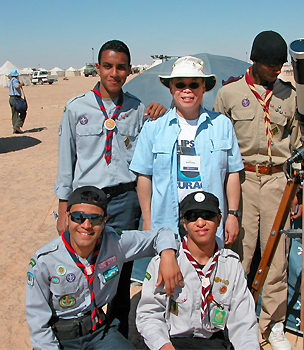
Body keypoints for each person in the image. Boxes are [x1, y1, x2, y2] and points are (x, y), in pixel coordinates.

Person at [54, 39, 167, 338]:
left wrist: (161, 111)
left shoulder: (137, 108)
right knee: (83, 266)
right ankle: (83, 327)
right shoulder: (76, 108)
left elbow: (148, 151)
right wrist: (63, 208)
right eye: (107, 66)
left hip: (124, 200)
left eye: (120, 67)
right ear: (98, 68)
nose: (113, 73)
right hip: (87, 203)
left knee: (120, 268)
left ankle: (116, 329)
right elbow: (67, 160)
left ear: (129, 70)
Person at [214, 30, 302, 350]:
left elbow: (299, 146)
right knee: (240, 254)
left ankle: (273, 324)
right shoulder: (229, 94)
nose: (277, 70)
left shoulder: (289, 95)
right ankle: (234, 319)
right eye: (271, 65)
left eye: (281, 65)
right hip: (243, 181)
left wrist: (298, 194)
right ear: (255, 61)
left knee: (277, 257)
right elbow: (218, 147)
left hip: (279, 181)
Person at [26, 186, 182, 350]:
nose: (86, 225)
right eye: (78, 217)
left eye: (95, 218)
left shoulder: (116, 243)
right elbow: (38, 320)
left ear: (105, 220)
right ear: (67, 217)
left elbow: (162, 234)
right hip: (60, 338)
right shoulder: (45, 260)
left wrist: (168, 255)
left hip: (99, 332)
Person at [129, 56, 243, 248]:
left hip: (209, 223)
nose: (187, 90)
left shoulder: (222, 125)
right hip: (167, 225)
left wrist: (232, 215)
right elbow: (144, 176)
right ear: (171, 88)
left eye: (194, 84)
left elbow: (232, 173)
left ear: (204, 87)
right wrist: (147, 221)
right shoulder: (153, 128)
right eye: (180, 84)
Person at [136, 191, 260, 350]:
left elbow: (243, 322)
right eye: (193, 217)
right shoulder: (164, 262)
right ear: (184, 223)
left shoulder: (231, 265)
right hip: (170, 341)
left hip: (211, 342)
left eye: (208, 215)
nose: (200, 223)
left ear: (219, 219)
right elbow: (149, 315)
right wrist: (164, 346)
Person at [8, 69, 26, 134]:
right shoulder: (15, 80)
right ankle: (17, 125)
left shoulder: (10, 81)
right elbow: (17, 86)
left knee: (14, 114)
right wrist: (21, 84)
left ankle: (15, 129)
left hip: (11, 98)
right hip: (16, 98)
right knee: (23, 112)